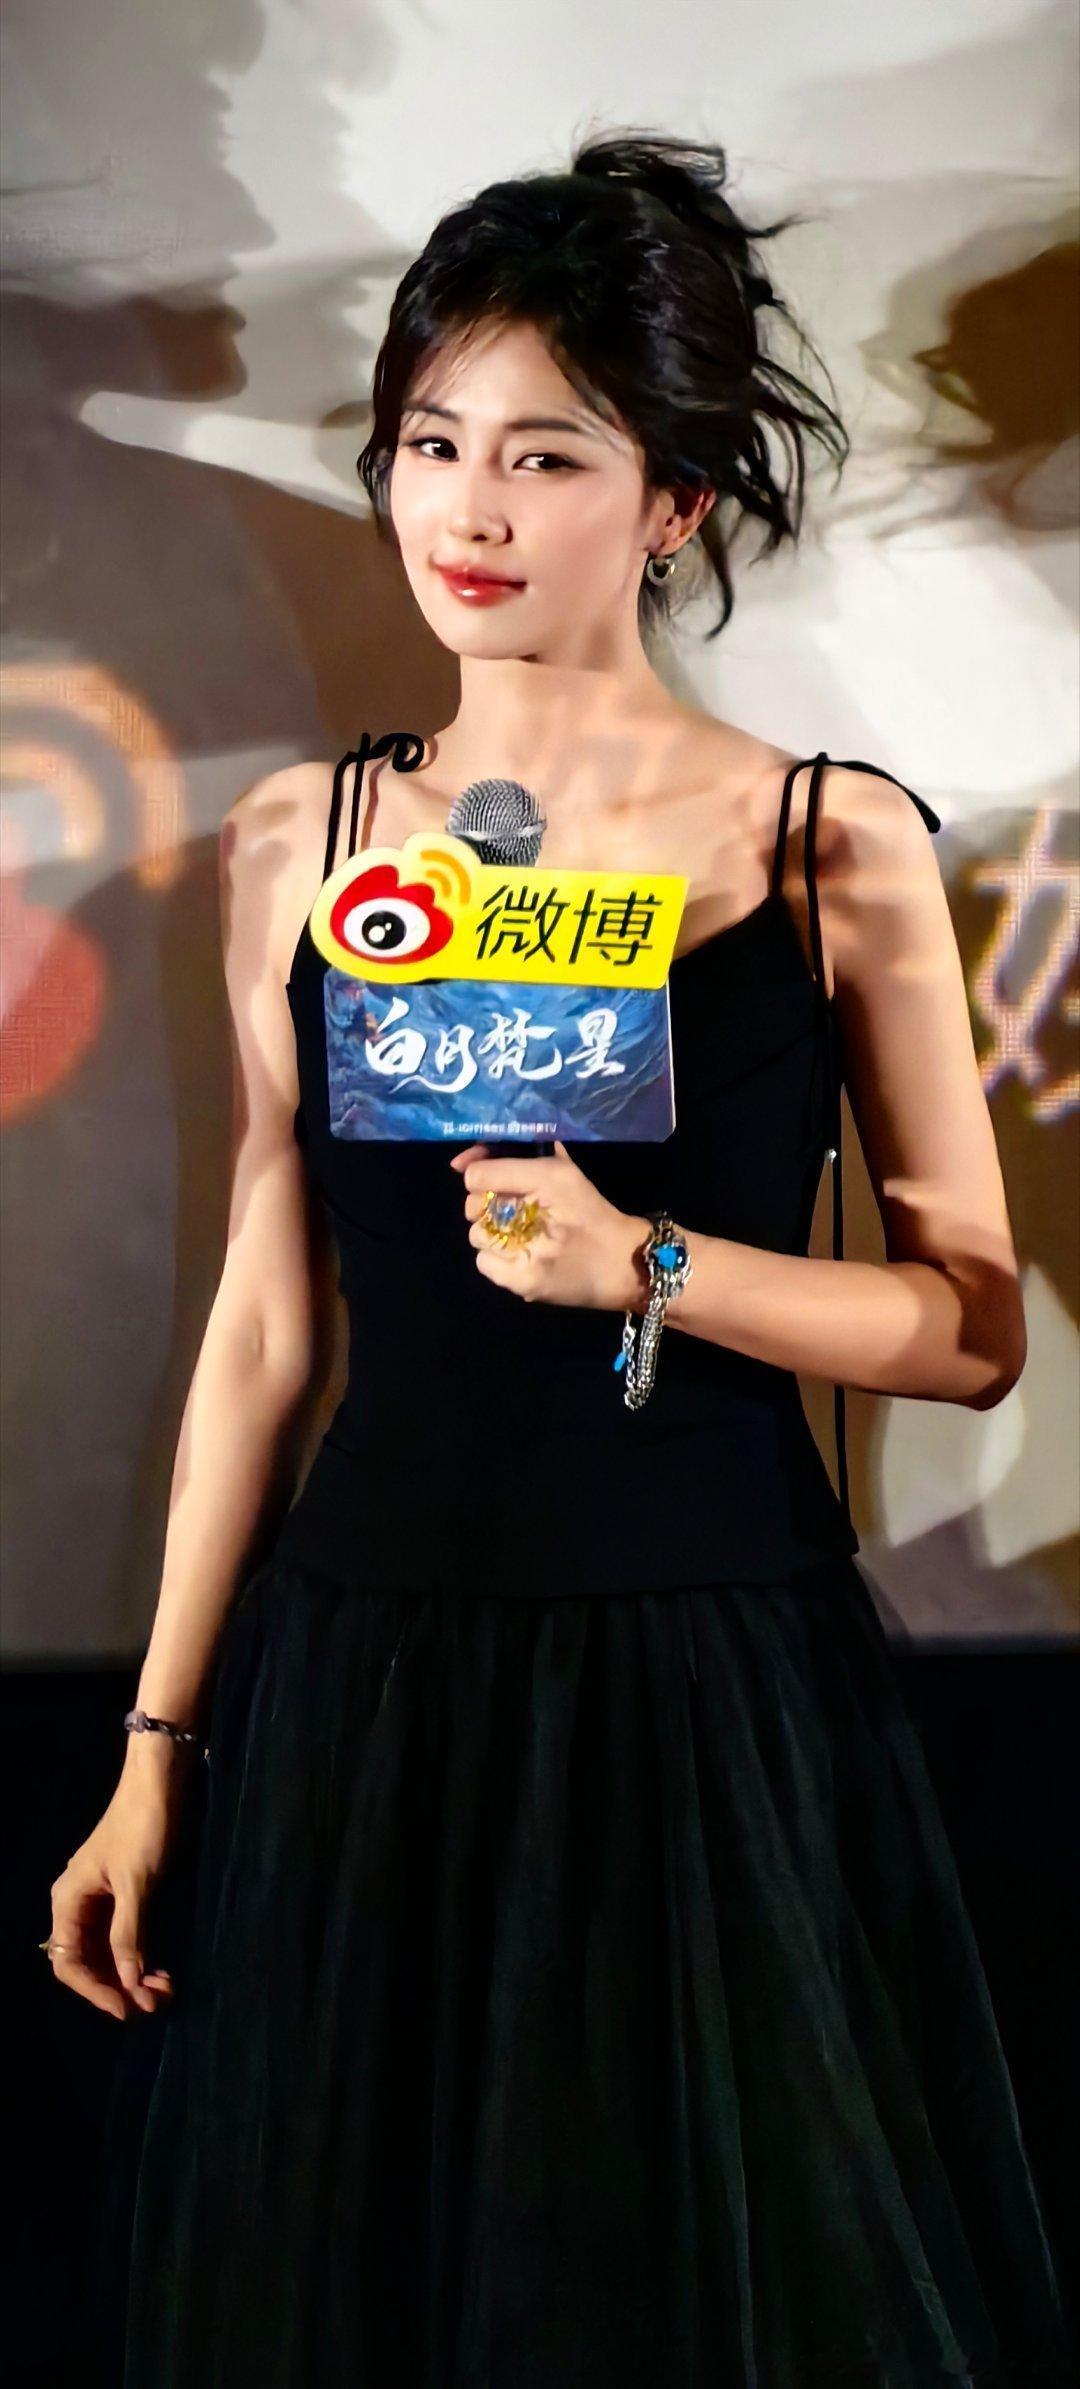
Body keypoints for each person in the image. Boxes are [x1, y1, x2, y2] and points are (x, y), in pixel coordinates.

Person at [45, 130, 1069, 2387]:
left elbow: (973, 1328)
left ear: (675, 500)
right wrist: (157, 1741)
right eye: (432, 443)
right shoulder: (303, 839)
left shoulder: (832, 841)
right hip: (371, 1673)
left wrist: (645, 1262)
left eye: (545, 453)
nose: (468, 510)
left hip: (705, 1681)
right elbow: (265, 1322)